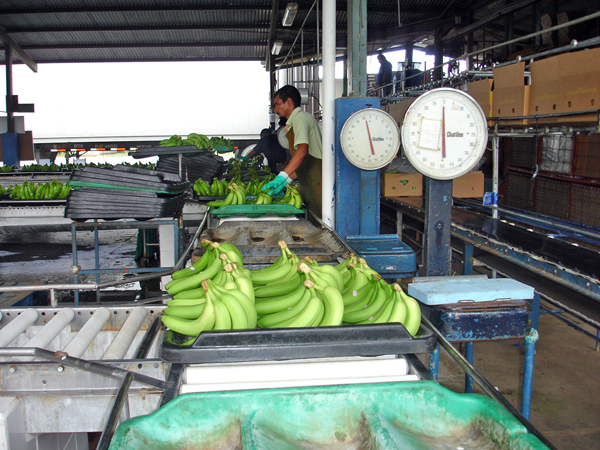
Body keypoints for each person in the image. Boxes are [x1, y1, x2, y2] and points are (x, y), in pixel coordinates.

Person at [262, 85, 322, 214]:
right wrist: (288, 179)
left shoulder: (301, 118)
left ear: (289, 102)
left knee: (318, 223)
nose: (276, 109)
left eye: (278, 104)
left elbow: (302, 151)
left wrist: (282, 176)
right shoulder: (294, 122)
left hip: (317, 182)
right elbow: (303, 161)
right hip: (309, 180)